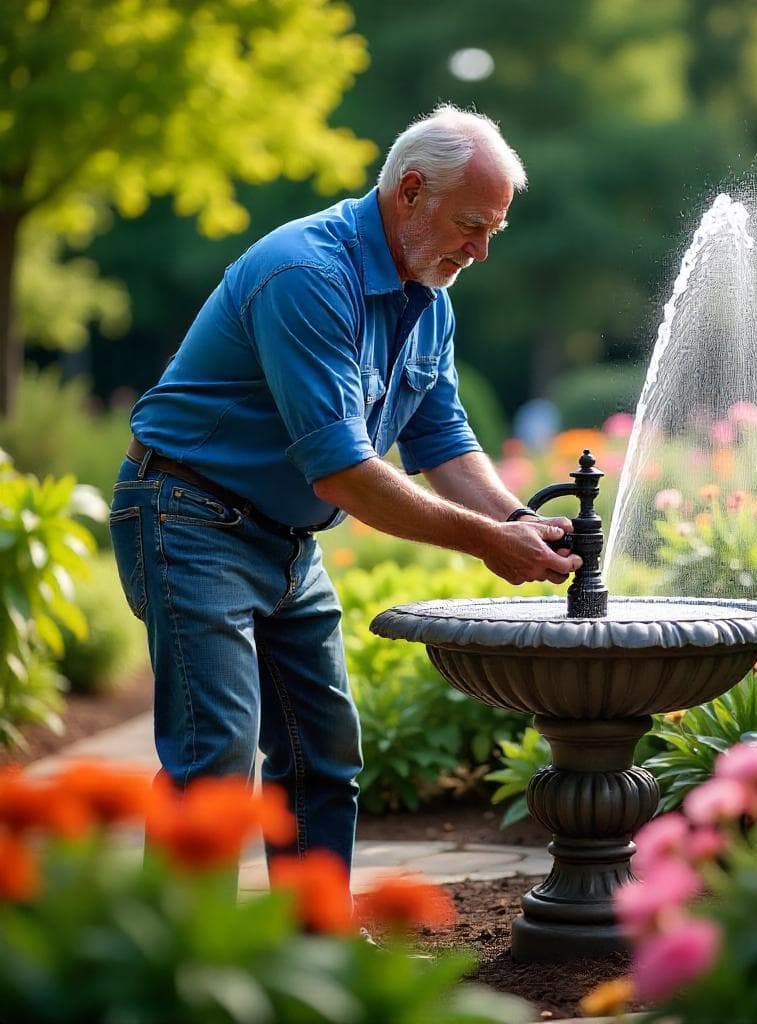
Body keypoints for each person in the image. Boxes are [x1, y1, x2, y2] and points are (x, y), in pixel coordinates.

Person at [108, 104, 580, 874]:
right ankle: (183, 974)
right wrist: (487, 543)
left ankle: (315, 956)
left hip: (283, 538)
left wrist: (522, 520)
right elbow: (342, 471)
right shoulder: (307, 274)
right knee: (215, 759)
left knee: (323, 753)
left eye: (494, 229)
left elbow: (444, 443)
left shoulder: (430, 297)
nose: (483, 249)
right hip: (187, 515)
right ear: (411, 190)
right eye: (472, 224)